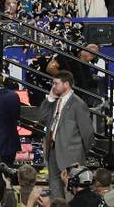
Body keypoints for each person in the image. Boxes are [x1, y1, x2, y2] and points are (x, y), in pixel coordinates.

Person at [39, 71, 94, 199]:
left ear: (66, 84)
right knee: (55, 187)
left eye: (56, 83)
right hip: (52, 150)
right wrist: (50, 98)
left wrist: (81, 151)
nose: (53, 86)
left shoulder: (78, 104)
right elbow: (41, 118)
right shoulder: (54, 101)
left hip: (71, 155)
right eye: (53, 83)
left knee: (71, 192)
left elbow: (88, 132)